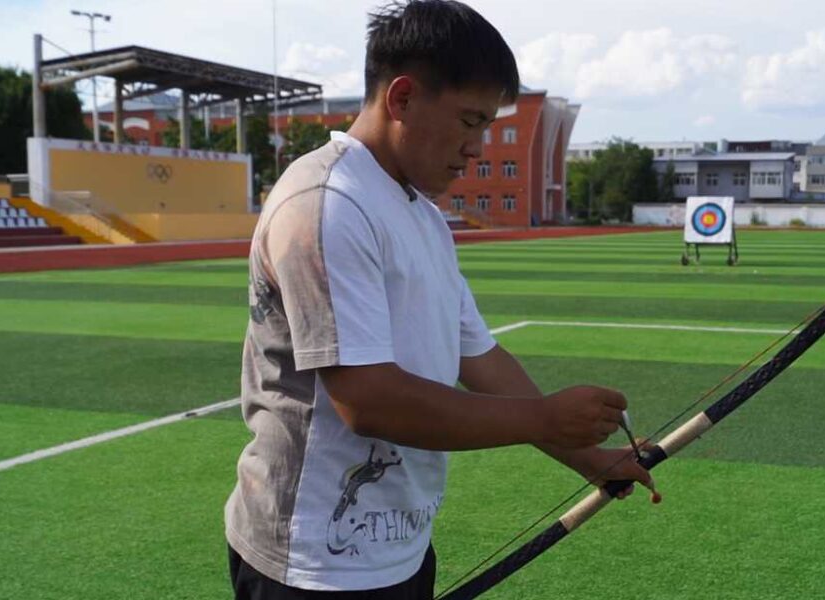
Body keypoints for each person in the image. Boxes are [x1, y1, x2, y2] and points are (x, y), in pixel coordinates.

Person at [224, 1, 653, 598]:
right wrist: (546, 417)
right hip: (313, 562)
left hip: (400, 549)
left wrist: (586, 456)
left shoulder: (421, 213)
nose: (477, 147)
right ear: (401, 99)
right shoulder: (326, 202)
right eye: (470, 121)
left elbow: (478, 357)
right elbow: (368, 402)